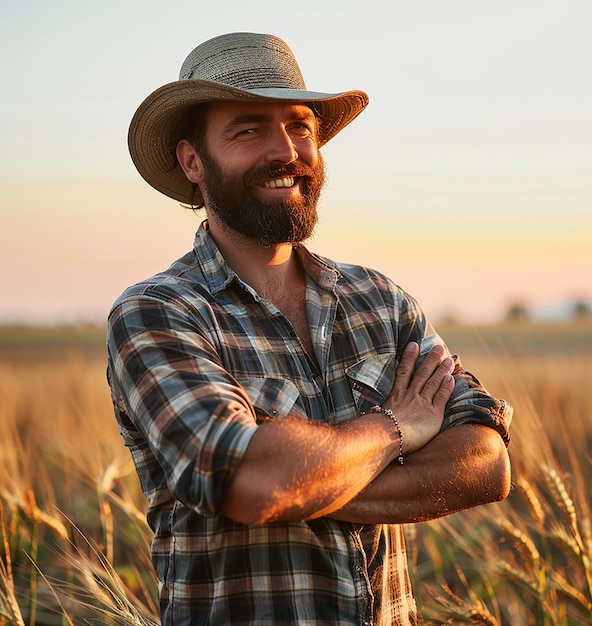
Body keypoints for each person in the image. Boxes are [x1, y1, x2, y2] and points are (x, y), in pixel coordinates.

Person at [107, 32, 513, 626]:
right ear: (193, 160)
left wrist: (305, 485)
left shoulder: (380, 301)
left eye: (300, 127)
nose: (285, 151)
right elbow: (254, 480)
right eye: (248, 130)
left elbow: (486, 462)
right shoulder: (159, 314)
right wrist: (397, 429)